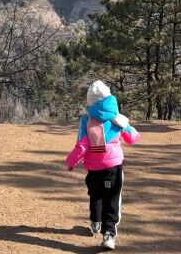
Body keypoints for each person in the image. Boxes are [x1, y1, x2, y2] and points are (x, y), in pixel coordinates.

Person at [66, 80, 140, 250]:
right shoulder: (117, 119)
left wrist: (71, 161)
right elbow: (132, 137)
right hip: (113, 168)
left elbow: (82, 145)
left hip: (93, 169)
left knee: (96, 195)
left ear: (90, 102)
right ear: (109, 98)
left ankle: (96, 222)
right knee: (112, 199)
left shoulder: (87, 121)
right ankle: (109, 234)